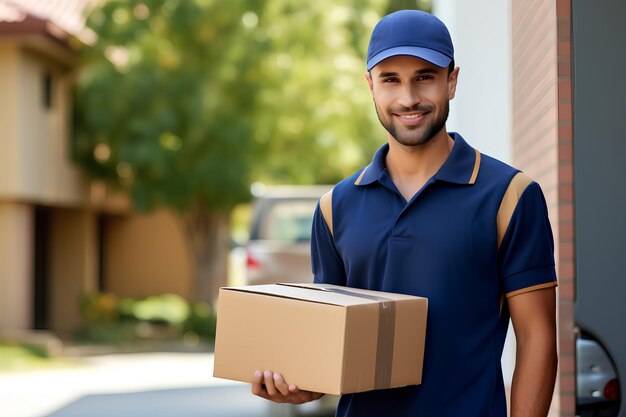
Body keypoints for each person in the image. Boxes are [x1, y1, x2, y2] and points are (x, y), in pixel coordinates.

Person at [252, 9, 558, 417]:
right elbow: (331, 352)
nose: (408, 98)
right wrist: (296, 388)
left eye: (424, 77)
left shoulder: (510, 196)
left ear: (452, 80)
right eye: (390, 80)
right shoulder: (334, 207)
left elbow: (538, 340)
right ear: (370, 86)